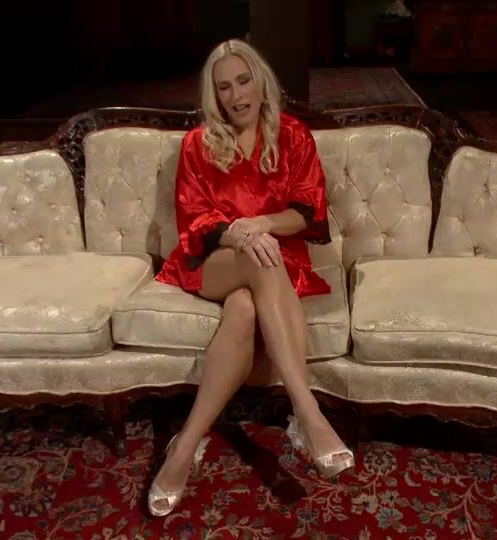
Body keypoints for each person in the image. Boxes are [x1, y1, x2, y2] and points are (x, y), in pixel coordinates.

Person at [147, 39, 354, 516]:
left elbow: (308, 212)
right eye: (224, 87)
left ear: (260, 81)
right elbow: (195, 221)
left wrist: (261, 224)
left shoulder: (294, 136)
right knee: (261, 258)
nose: (236, 95)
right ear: (214, 95)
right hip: (212, 261)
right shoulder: (198, 144)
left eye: (243, 81)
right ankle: (308, 412)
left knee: (244, 307)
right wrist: (239, 235)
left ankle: (183, 447)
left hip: (275, 260)